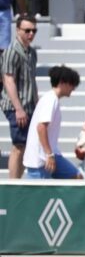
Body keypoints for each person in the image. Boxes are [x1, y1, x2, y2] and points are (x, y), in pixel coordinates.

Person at [23, 66, 81, 179]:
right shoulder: (50, 99)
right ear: (62, 82)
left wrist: (52, 154)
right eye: (72, 84)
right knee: (39, 195)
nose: (73, 88)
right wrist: (49, 154)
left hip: (51, 154)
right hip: (40, 160)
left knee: (75, 177)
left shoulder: (51, 98)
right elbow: (41, 127)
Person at [1, 15, 38, 178]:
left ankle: (17, 181)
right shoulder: (11, 51)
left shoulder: (31, 53)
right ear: (17, 30)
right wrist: (18, 108)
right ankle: (12, 183)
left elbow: (32, 80)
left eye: (34, 31)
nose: (31, 34)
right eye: (27, 30)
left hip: (29, 104)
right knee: (19, 145)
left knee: (25, 146)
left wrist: (37, 105)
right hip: (16, 105)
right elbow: (8, 80)